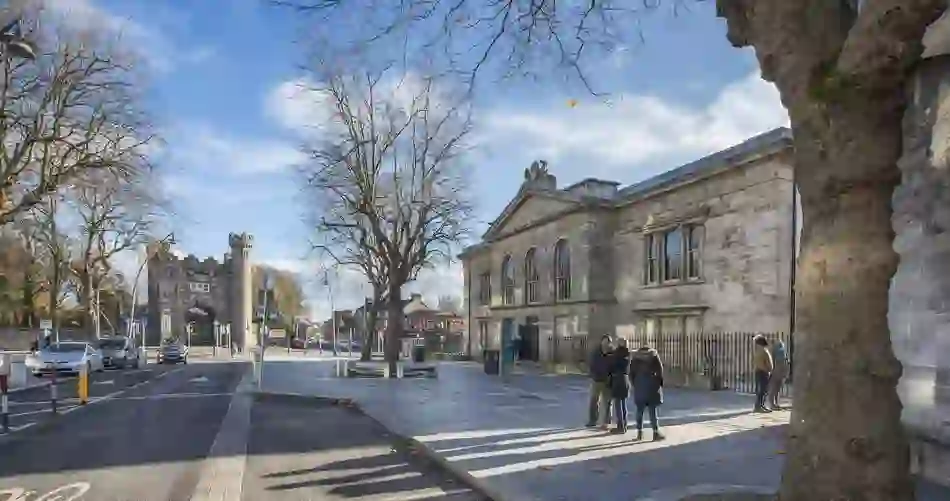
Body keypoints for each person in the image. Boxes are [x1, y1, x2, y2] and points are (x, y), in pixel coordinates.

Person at [629, 344, 665, 441]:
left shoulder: (636, 357)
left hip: (640, 384)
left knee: (640, 411)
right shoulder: (653, 355)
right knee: (652, 411)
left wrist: (634, 384)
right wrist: (659, 383)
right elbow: (660, 370)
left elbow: (631, 372)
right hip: (652, 385)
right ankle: (655, 432)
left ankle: (639, 433)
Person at [586, 335, 613, 429]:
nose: (606, 344)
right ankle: (593, 420)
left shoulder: (612, 352)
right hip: (597, 379)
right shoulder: (596, 352)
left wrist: (611, 376)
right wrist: (593, 373)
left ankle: (607, 421)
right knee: (594, 400)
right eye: (604, 341)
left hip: (608, 380)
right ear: (601, 342)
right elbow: (591, 364)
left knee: (608, 402)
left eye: (608, 342)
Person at [608, 338, 631, 434]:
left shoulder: (617, 354)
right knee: (623, 403)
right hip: (625, 378)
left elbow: (612, 365)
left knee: (618, 404)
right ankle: (625, 424)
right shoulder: (628, 354)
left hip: (618, 378)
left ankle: (620, 425)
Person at [753, 335, 774, 413]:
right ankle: (759, 406)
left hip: (762, 371)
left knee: (763, 390)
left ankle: (761, 405)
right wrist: (767, 370)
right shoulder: (761, 351)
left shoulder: (761, 350)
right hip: (762, 372)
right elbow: (760, 363)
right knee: (762, 390)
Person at [767, 339, 789, 410]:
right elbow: (785, 364)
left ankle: (774, 403)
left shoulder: (776, 353)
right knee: (775, 389)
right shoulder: (780, 353)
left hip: (776, 372)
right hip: (777, 372)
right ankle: (774, 403)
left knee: (775, 389)